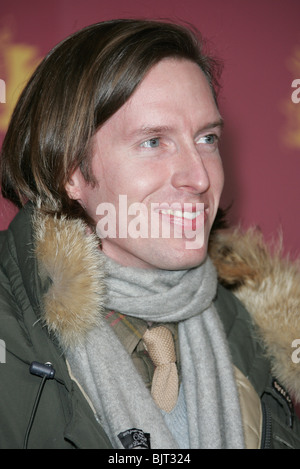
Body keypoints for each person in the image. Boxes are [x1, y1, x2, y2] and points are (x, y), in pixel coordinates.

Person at [0, 18, 300, 450]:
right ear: (70, 171)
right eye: (153, 142)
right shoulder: (12, 329)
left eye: (207, 138)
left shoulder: (260, 335)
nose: (199, 177)